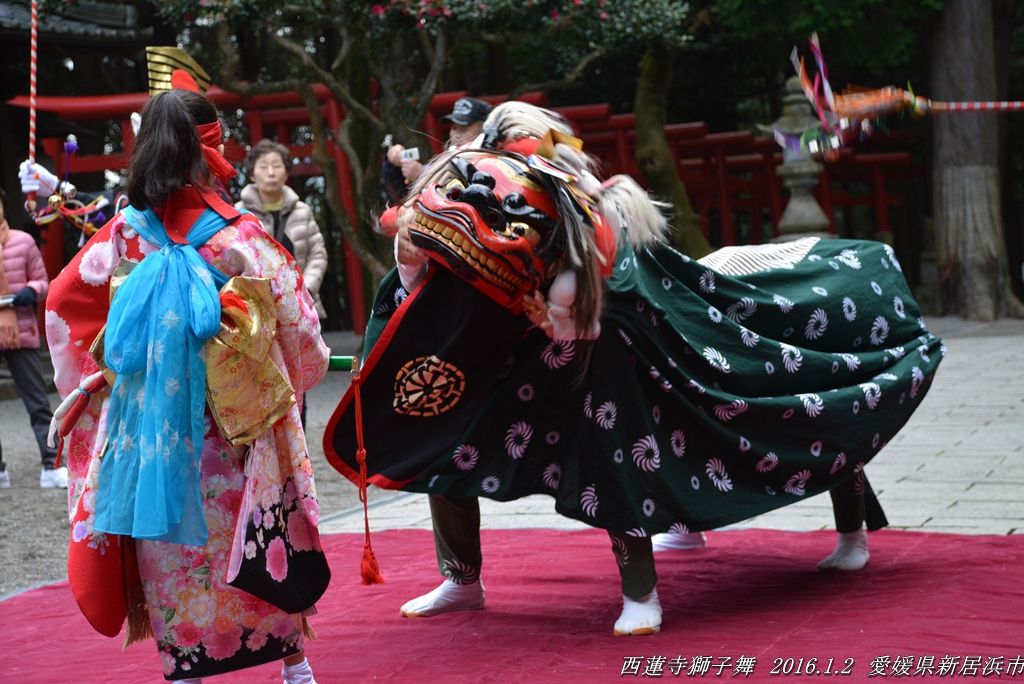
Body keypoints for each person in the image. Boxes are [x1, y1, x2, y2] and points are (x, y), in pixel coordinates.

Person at [324, 101, 942, 637]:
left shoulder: (579, 223)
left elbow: (596, 306)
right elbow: (412, 304)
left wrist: (561, 308)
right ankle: (460, 577)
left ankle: (652, 586)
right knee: (446, 435)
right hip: (513, 349)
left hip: (611, 345)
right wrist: (408, 264)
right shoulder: (464, 210)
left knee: (646, 435)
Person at [47, 88, 329, 682]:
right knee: (256, 528)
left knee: (170, 542)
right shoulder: (240, 236)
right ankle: (294, 665)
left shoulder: (122, 237)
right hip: (235, 422)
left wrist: (104, 380)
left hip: (153, 430)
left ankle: (187, 667)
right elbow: (300, 328)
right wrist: (290, 371)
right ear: (214, 148)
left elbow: (62, 309)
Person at [0, 186, 64, 489]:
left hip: (21, 331)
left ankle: (51, 464)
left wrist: (29, 292)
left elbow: (43, 282)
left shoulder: (23, 243)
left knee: (37, 401)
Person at [236, 139, 329, 320]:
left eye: (277, 166)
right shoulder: (239, 213)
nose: (271, 173)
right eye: (263, 167)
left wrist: (306, 289)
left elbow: (318, 254)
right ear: (252, 174)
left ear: (286, 173)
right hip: (259, 309)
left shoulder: (302, 211)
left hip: (303, 305)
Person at [381, 96, 494, 197]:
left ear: (485, 128)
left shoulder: (492, 163)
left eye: (464, 128)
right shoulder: (445, 159)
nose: (456, 134)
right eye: (454, 128)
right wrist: (393, 163)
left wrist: (422, 177)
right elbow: (400, 194)